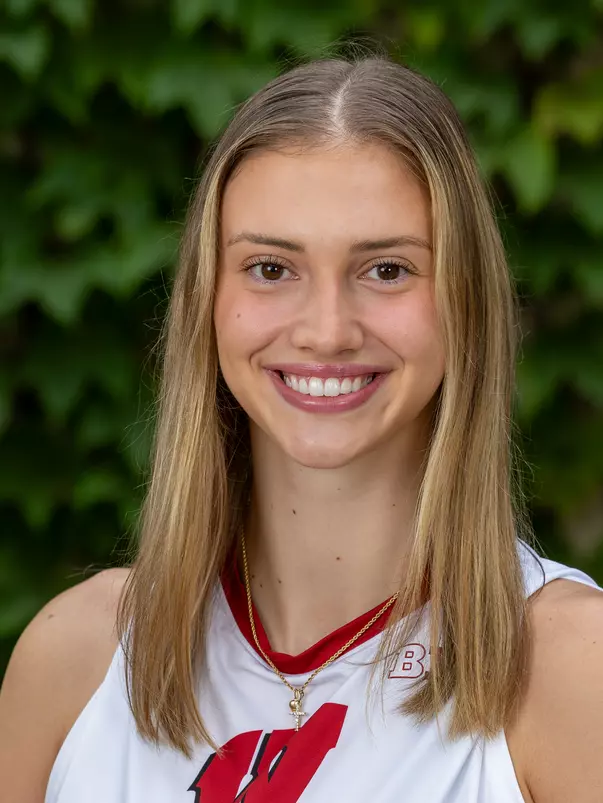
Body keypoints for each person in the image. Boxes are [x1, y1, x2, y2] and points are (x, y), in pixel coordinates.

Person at [1, 55, 602, 803]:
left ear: (464, 302)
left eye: (385, 270)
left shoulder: (572, 669)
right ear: (208, 300)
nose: (325, 330)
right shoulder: (77, 657)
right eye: (270, 268)